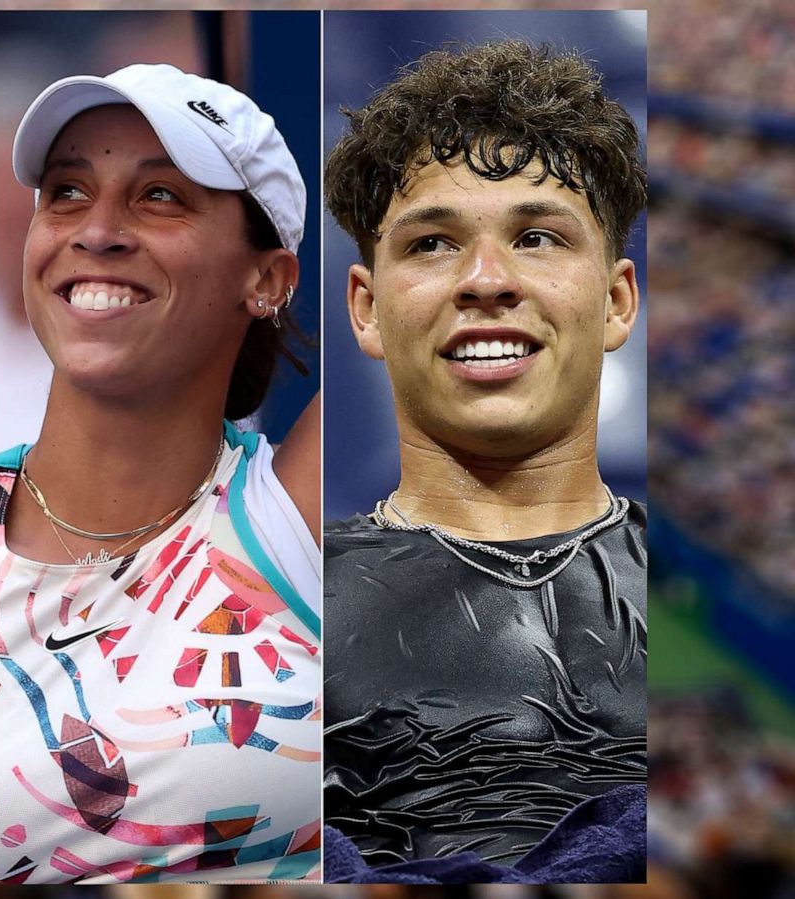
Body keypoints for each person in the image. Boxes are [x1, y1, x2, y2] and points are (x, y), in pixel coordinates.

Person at [321, 41, 647, 883]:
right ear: (365, 308)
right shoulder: (278, 608)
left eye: (537, 236)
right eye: (432, 244)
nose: (487, 279)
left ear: (616, 301)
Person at [0, 63, 323, 884]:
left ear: (268, 279)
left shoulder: (297, 522)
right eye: (66, 191)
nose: (96, 230)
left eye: (161, 196)